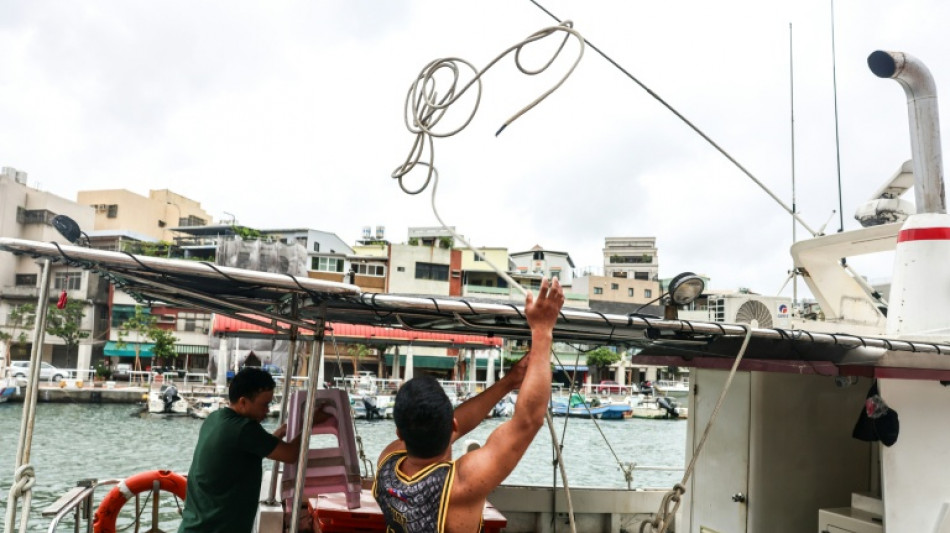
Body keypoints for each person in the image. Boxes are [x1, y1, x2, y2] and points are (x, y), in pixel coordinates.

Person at [374, 277, 564, 532]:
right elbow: (527, 422)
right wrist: (542, 331)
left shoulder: (386, 463)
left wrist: (508, 382)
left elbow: (453, 424)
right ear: (452, 425)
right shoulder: (461, 484)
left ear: (399, 434)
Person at [179, 367, 301, 533]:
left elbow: (248, 449)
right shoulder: (245, 429)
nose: (267, 410)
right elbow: (291, 454)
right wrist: (309, 424)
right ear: (243, 402)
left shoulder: (215, 418)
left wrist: (277, 435)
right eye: (264, 404)